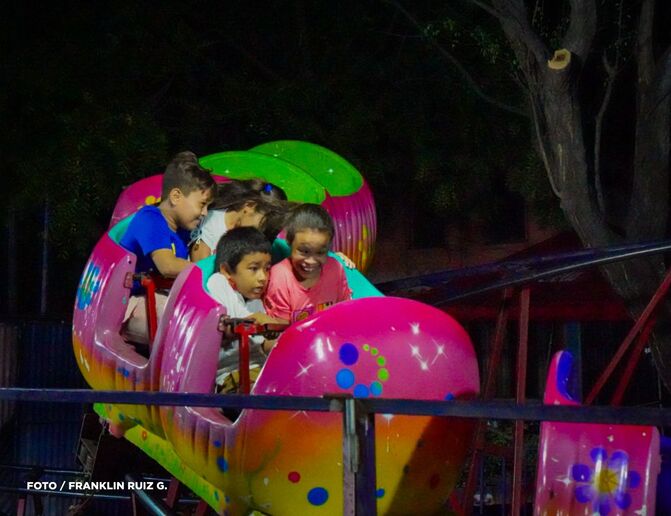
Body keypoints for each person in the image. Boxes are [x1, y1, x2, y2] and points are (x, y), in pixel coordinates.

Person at [120, 151, 216, 343]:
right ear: (176, 196)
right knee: (187, 323)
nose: (205, 213)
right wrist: (213, 270)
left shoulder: (183, 231)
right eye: (202, 204)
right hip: (130, 304)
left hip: (157, 297)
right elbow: (167, 266)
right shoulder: (149, 219)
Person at [207, 227, 284, 389]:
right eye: (254, 268)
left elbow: (263, 344)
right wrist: (261, 321)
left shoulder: (255, 301)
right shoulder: (218, 283)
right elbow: (225, 328)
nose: (263, 277)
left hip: (262, 370)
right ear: (227, 270)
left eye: (267, 269)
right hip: (233, 375)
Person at [264, 204, 352, 323]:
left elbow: (344, 310)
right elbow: (280, 328)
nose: (311, 261)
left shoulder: (335, 269)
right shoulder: (280, 278)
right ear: (289, 241)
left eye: (320, 252)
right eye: (304, 251)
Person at [190, 179, 289, 262]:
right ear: (249, 206)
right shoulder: (213, 223)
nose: (260, 236)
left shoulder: (251, 237)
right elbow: (200, 265)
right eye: (262, 227)